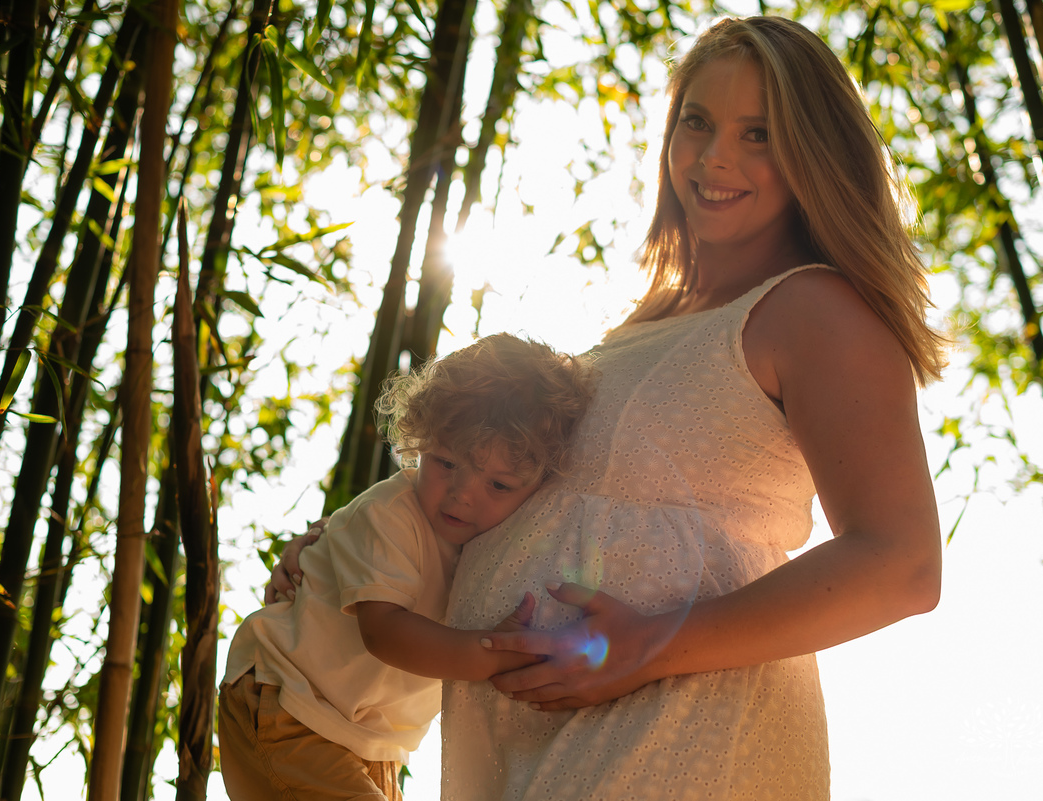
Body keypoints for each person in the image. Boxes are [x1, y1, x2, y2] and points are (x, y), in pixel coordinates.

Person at [269, 15, 945, 800]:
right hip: (538, 750)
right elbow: (525, 505)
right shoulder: (642, 329)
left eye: (758, 133)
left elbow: (902, 563)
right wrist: (365, 545)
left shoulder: (813, 308)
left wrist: (651, 646)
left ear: (813, 152)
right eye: (697, 121)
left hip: (679, 741)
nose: (714, 156)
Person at [219, 333, 597, 801]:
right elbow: (385, 633)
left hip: (367, 740)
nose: (461, 494)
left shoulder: (496, 544)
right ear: (419, 441)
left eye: (498, 485)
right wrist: (493, 653)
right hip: (288, 700)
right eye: (446, 463)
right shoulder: (390, 515)